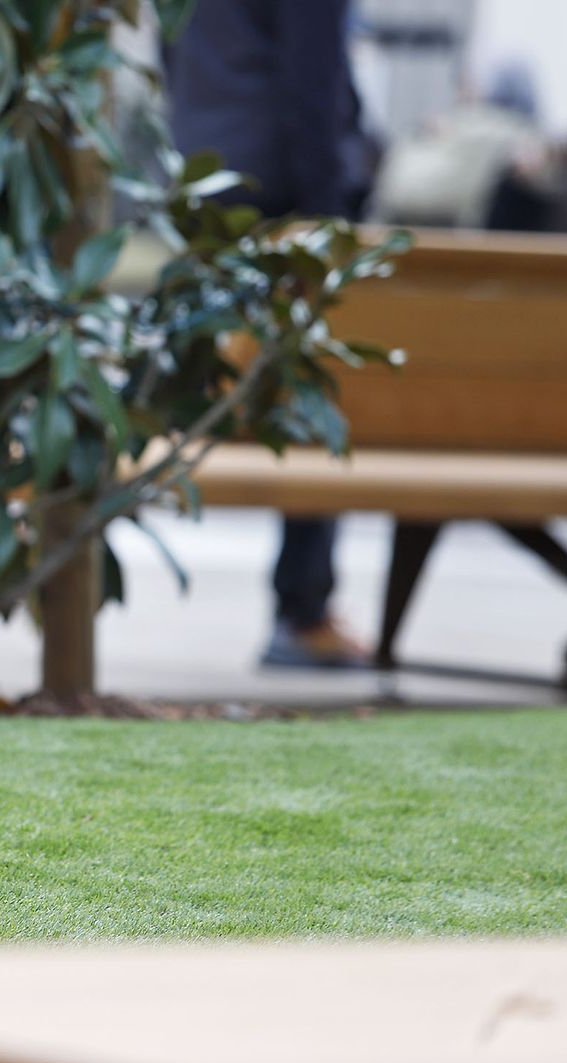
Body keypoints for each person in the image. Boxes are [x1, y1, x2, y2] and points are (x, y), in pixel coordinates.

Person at [163, 0, 372, 668]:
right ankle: (304, 606)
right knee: (313, 389)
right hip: (284, 192)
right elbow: (314, 77)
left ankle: (303, 603)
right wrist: (330, 213)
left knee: (229, 385)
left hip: (205, 176)